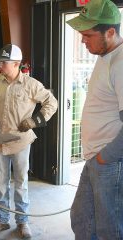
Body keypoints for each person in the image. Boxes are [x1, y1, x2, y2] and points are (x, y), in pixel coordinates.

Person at [0, 44, 58, 239]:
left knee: (21, 183)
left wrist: (35, 121)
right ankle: (1, 220)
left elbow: (52, 102)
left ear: (16, 64)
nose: (0, 66)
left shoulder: (31, 84)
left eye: (4, 63)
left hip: (21, 142)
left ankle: (22, 222)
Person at [67, 0, 123, 239]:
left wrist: (105, 157)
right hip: (95, 158)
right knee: (81, 219)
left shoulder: (120, 63)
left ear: (110, 32)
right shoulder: (105, 56)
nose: (82, 40)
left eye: (88, 35)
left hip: (109, 162)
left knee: (109, 229)